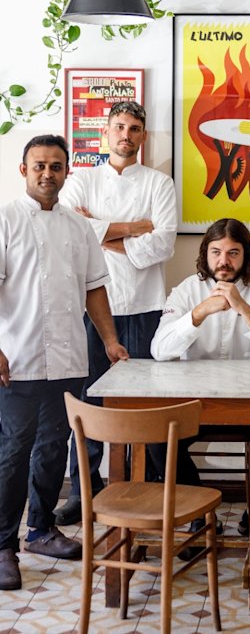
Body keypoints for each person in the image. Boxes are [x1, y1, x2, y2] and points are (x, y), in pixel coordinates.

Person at [0, 135, 128, 591]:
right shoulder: (6, 219)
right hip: (17, 358)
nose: (47, 173)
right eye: (39, 165)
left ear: (67, 172)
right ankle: (3, 545)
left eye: (56, 166)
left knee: (55, 446)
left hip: (69, 358)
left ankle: (40, 530)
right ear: (24, 170)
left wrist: (110, 341)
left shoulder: (78, 226)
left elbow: (95, 288)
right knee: (13, 451)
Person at [54, 101, 177, 527]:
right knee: (87, 401)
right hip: (89, 307)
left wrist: (99, 230)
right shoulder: (81, 180)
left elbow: (163, 245)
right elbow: (71, 231)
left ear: (144, 136)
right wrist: (134, 227)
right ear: (106, 133)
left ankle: (156, 488)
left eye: (135, 128)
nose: (127, 134)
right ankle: (83, 491)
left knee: (148, 404)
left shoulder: (160, 183)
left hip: (145, 306)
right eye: (120, 126)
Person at [150, 216, 250, 553]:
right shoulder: (186, 291)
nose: (224, 261)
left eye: (233, 253)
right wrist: (199, 313)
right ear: (205, 254)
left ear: (246, 256)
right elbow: (159, 350)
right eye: (216, 252)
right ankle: (200, 516)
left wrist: (244, 308)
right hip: (196, 403)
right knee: (157, 435)